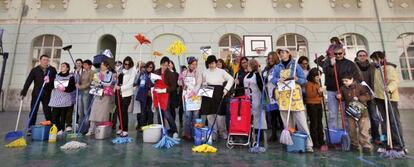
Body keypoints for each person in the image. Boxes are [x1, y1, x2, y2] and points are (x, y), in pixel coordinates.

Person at [271, 48, 313, 152]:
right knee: (287, 124)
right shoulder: (277, 67)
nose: (281, 54)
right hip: (283, 97)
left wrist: (297, 79)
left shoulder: (295, 66)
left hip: (295, 98)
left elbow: (304, 80)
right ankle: (291, 143)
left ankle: (308, 145)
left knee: (302, 122)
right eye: (280, 53)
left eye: (283, 52)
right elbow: (273, 79)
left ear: (288, 53)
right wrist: (277, 80)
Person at [315, 45, 361, 129]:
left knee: (346, 114)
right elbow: (328, 73)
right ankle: (333, 137)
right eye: (335, 54)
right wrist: (332, 65)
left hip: (345, 91)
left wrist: (351, 86)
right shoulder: (328, 63)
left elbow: (357, 78)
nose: (338, 55)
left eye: (340, 53)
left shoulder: (350, 64)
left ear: (343, 52)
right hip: (332, 90)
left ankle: (348, 136)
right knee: (332, 115)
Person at [371, 51, 406, 154]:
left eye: (375, 60)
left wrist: (389, 88)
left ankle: (399, 144)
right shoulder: (376, 69)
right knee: (384, 122)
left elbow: (394, 81)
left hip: (390, 98)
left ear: (382, 59)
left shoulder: (389, 68)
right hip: (379, 98)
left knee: (393, 121)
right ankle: (386, 142)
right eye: (373, 60)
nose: (374, 62)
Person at [20, 54, 58, 135]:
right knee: (34, 110)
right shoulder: (35, 70)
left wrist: (50, 81)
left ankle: (51, 127)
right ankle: (30, 127)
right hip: (37, 93)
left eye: (47, 60)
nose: (46, 61)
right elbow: (28, 81)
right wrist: (24, 92)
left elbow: (55, 82)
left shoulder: (52, 70)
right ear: (40, 60)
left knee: (47, 110)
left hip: (47, 93)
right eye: (44, 60)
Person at [200, 55, 234, 141]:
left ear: (215, 63)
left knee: (220, 115)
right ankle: (213, 134)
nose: (211, 65)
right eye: (209, 64)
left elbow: (231, 79)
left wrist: (226, 89)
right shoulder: (205, 72)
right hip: (207, 93)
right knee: (210, 115)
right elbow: (202, 83)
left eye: (212, 63)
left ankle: (223, 133)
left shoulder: (221, 71)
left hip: (219, 92)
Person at [337, 73, 373, 152]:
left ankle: (366, 145)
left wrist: (359, 98)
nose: (344, 83)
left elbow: (368, 96)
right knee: (351, 129)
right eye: (343, 81)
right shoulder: (342, 88)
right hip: (350, 112)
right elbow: (342, 98)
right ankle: (354, 144)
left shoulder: (360, 86)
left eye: (346, 81)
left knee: (363, 129)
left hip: (362, 111)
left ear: (352, 79)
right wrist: (339, 97)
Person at [354, 50, 381, 144]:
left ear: (367, 56)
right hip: (359, 96)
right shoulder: (354, 66)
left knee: (374, 117)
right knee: (360, 118)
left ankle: (376, 136)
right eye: (360, 55)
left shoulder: (372, 66)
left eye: (364, 55)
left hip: (371, 95)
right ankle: (361, 139)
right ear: (357, 57)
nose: (362, 57)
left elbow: (381, 67)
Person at [86, 60, 116, 136]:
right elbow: (93, 83)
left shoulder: (110, 74)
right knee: (94, 112)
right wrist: (95, 84)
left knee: (103, 113)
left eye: (103, 65)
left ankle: (100, 130)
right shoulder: (97, 74)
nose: (101, 66)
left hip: (105, 95)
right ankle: (91, 129)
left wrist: (100, 81)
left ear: (107, 66)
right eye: (101, 65)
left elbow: (108, 83)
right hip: (97, 94)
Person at [153, 57, 179, 139]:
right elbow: (152, 82)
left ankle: (175, 131)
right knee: (159, 114)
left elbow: (173, 86)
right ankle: (162, 131)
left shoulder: (170, 74)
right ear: (161, 64)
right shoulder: (156, 72)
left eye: (166, 65)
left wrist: (164, 90)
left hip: (165, 95)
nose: (165, 67)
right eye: (163, 65)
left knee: (167, 114)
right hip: (157, 95)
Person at [48, 62, 76, 135]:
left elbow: (72, 87)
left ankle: (61, 129)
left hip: (65, 99)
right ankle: (56, 128)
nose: (62, 67)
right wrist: (48, 81)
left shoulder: (71, 77)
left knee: (63, 115)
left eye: (63, 66)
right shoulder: (56, 76)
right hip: (56, 98)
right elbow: (51, 86)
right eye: (61, 66)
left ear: (67, 68)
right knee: (54, 115)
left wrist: (65, 89)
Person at [178, 57, 202, 140]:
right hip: (187, 97)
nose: (194, 66)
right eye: (192, 64)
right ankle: (187, 133)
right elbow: (180, 83)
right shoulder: (184, 72)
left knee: (195, 115)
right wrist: (180, 79)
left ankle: (195, 134)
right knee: (187, 115)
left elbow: (199, 84)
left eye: (195, 64)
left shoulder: (198, 73)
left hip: (196, 97)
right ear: (189, 64)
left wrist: (194, 92)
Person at [244, 59, 267, 145]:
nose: (248, 66)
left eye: (249, 65)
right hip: (247, 99)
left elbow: (262, 87)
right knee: (249, 117)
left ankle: (259, 135)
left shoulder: (257, 75)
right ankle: (250, 134)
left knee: (258, 116)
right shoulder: (247, 75)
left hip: (256, 98)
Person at [262, 51, 283, 141]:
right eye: (269, 58)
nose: (270, 60)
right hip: (268, 93)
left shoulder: (278, 67)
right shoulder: (266, 68)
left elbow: (280, 78)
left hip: (277, 92)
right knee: (272, 115)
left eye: (271, 58)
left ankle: (284, 134)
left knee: (280, 115)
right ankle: (274, 134)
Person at [115, 56, 136, 137]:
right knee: (118, 110)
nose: (126, 65)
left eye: (128, 64)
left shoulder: (132, 71)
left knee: (124, 110)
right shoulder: (121, 71)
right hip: (118, 93)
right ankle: (121, 127)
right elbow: (118, 81)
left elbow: (130, 83)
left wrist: (121, 88)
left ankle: (125, 129)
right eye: (125, 64)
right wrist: (116, 77)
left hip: (127, 94)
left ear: (131, 64)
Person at [305, 68, 324, 149]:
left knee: (320, 122)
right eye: (316, 76)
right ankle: (315, 141)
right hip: (311, 105)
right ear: (312, 76)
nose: (318, 78)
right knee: (314, 123)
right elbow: (309, 95)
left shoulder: (318, 83)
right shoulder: (309, 84)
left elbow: (320, 95)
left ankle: (321, 140)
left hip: (318, 104)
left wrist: (321, 93)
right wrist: (318, 91)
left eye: (319, 76)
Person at [134, 61, 155, 129]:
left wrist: (151, 87)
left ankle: (150, 126)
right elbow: (136, 83)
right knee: (143, 111)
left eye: (151, 67)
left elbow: (155, 84)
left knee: (150, 111)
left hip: (151, 96)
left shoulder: (154, 75)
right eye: (147, 66)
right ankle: (143, 126)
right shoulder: (142, 74)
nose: (149, 68)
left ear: (153, 68)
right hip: (143, 95)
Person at [76, 59, 94, 133]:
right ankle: (80, 128)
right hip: (81, 93)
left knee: (86, 111)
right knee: (80, 111)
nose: (84, 66)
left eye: (86, 64)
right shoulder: (82, 72)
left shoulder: (92, 72)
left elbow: (90, 83)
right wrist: (77, 72)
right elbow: (79, 81)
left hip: (87, 93)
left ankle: (86, 128)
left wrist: (80, 87)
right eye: (84, 65)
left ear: (90, 65)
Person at [168, 61, 181, 125]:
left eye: (170, 64)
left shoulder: (176, 74)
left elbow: (178, 84)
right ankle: (170, 125)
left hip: (173, 94)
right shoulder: (165, 73)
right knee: (167, 110)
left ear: (172, 65)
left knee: (172, 109)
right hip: (166, 93)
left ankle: (173, 125)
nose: (169, 65)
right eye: (167, 64)